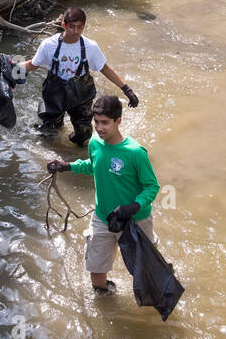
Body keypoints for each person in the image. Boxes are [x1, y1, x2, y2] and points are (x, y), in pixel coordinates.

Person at [47, 94, 160, 293]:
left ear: (118, 121)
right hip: (102, 217)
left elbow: (152, 187)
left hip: (136, 220)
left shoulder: (135, 153)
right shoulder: (94, 143)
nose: (99, 128)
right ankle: (107, 301)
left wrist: (133, 206)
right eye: (96, 122)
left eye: (105, 123)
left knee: (145, 272)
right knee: (96, 269)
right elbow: (94, 166)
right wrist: (68, 166)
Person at [15, 6, 138, 145]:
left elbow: (105, 68)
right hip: (55, 93)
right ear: (64, 25)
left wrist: (126, 89)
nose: (75, 31)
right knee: (49, 134)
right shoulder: (49, 45)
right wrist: (12, 70)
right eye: (72, 27)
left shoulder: (90, 46)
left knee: (84, 136)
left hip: (81, 95)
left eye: (80, 27)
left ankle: (75, 157)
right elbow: (32, 64)